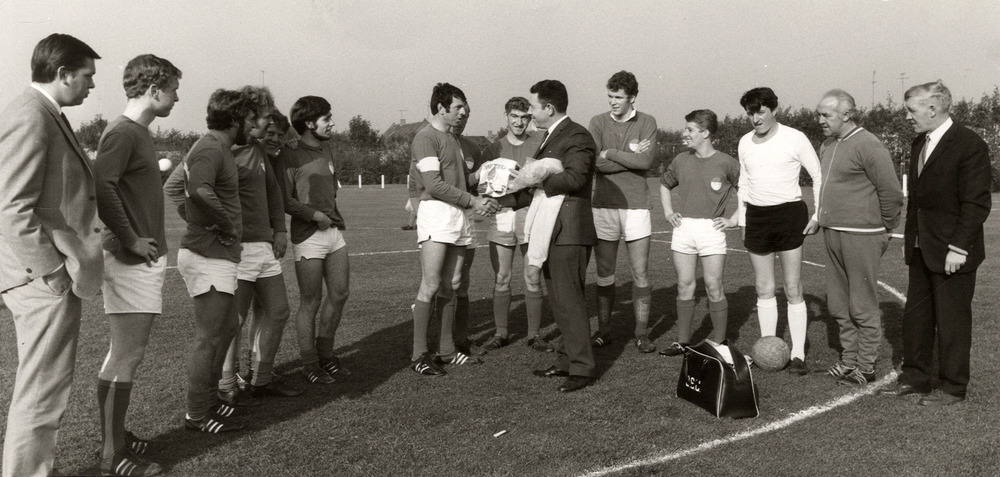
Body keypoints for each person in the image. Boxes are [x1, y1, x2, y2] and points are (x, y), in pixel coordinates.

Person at [0, 33, 103, 477]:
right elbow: (12, 207)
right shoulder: (31, 115)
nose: (92, 85)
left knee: (45, 389)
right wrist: (52, 271)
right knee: (41, 392)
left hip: (40, 274)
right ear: (62, 74)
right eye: (87, 76)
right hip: (39, 277)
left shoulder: (44, 113)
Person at [93, 53, 181, 476]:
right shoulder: (123, 132)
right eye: (173, 89)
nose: (177, 98)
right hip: (129, 258)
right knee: (127, 354)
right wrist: (130, 238)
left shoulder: (137, 131)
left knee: (124, 353)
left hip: (140, 256)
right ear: (154, 89)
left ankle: (116, 439)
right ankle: (113, 456)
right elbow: (101, 188)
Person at [879, 81, 991, 405]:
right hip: (920, 247)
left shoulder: (969, 144)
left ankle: (953, 387)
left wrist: (958, 248)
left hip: (952, 251)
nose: (907, 117)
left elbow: (976, 203)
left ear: (933, 108)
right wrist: (910, 241)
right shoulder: (919, 142)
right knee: (917, 318)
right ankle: (916, 379)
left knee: (952, 321)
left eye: (911, 110)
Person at [500, 79, 599, 393]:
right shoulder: (552, 135)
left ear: (549, 108)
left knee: (570, 299)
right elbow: (540, 185)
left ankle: (582, 368)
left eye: (533, 107)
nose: (530, 113)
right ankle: (566, 360)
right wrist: (502, 198)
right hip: (552, 228)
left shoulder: (577, 135)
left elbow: (576, 177)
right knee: (558, 300)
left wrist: (538, 178)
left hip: (568, 228)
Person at [173, 89, 256, 433]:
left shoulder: (216, 148)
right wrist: (222, 224)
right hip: (207, 255)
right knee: (208, 337)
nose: (253, 126)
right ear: (235, 119)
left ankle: (208, 401)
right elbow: (198, 190)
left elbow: (177, 189)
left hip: (217, 254)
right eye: (250, 119)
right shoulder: (210, 148)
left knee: (228, 327)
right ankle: (196, 414)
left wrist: (202, 220)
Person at [409, 83, 498, 376]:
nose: (463, 112)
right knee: (431, 284)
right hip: (437, 213)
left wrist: (485, 176)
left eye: (464, 107)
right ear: (440, 108)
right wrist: (473, 200)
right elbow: (433, 185)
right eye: (457, 107)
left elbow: (459, 181)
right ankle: (419, 355)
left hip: (458, 214)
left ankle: (447, 351)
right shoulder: (426, 137)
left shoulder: (452, 139)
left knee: (452, 284)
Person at [814, 89, 903, 386]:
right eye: (818, 114)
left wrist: (887, 227)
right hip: (832, 232)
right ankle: (848, 360)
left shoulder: (869, 145)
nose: (820, 120)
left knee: (862, 303)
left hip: (863, 235)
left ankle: (866, 367)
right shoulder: (827, 144)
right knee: (839, 304)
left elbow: (891, 192)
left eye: (826, 114)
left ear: (847, 114)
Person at [736, 87, 821, 376]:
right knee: (764, 287)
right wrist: (744, 221)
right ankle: (768, 348)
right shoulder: (744, 142)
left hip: (788, 214)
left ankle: (797, 354)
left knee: (793, 287)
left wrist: (818, 214)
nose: (755, 119)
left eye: (760, 112)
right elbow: (743, 183)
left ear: (774, 110)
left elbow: (818, 175)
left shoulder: (795, 137)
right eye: (750, 113)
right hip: (757, 217)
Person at [279, 96, 351, 384]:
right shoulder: (290, 153)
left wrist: (331, 215)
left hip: (333, 232)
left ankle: (326, 355)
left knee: (340, 294)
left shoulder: (327, 147)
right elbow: (285, 200)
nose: (332, 123)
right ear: (309, 123)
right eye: (326, 118)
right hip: (308, 236)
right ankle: (310, 364)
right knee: (311, 301)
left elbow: (330, 189)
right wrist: (314, 215)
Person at [657, 110, 740, 357]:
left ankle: (719, 343)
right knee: (685, 285)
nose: (685, 133)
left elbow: (746, 189)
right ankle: (682, 342)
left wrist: (734, 219)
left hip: (711, 230)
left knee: (714, 285)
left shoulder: (726, 162)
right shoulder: (681, 160)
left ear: (705, 133)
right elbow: (664, 184)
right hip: (684, 229)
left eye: (690, 129)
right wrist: (668, 212)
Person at [587, 71, 658, 353]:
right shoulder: (597, 122)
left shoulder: (647, 121)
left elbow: (646, 161)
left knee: (640, 272)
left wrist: (611, 153)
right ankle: (604, 331)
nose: (613, 102)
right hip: (603, 205)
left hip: (636, 206)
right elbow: (593, 162)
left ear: (632, 98)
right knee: (605, 272)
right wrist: (630, 159)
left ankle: (641, 333)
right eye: (610, 96)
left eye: (618, 97)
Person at [478, 97, 553, 353]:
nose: (519, 122)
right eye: (514, 116)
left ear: (529, 118)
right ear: (506, 116)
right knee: (502, 277)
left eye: (524, 117)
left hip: (529, 214)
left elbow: (540, 184)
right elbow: (482, 185)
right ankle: (501, 333)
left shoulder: (538, 143)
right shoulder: (494, 148)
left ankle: (535, 335)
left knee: (532, 276)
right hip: (501, 215)